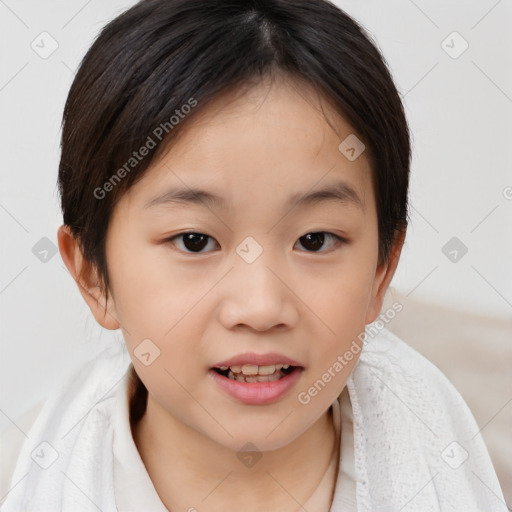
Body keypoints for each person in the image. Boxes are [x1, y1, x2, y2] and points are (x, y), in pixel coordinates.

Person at [1, 0, 507, 510]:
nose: (262, 307)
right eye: (194, 241)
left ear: (381, 271)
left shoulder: (474, 478)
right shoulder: (22, 482)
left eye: (315, 240)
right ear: (93, 275)